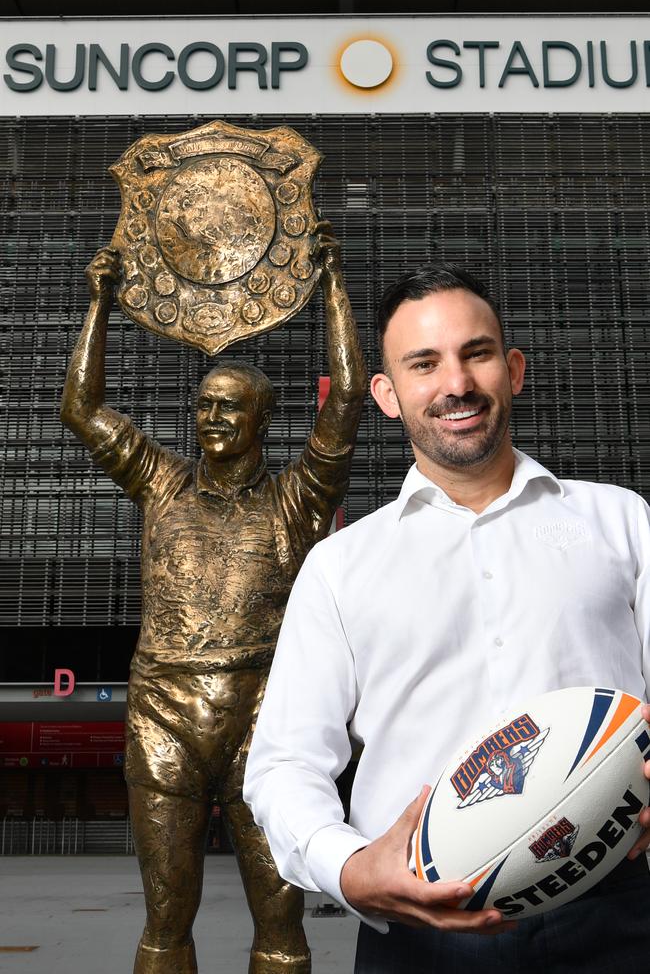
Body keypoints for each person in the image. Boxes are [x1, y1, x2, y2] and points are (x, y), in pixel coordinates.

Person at [243, 264, 650, 973]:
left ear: (513, 369)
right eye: (423, 364)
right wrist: (351, 869)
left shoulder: (621, 521)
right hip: (420, 932)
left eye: (477, 353)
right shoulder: (340, 567)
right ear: (387, 394)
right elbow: (284, 766)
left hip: (614, 909)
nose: (456, 383)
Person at [60, 225, 366, 974]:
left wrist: (331, 286)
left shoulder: (297, 499)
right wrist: (99, 301)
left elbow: (351, 396)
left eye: (230, 408)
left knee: (282, 927)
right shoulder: (160, 484)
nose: (211, 419)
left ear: (263, 420)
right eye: (203, 406)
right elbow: (80, 407)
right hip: (164, 711)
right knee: (164, 927)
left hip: (266, 714)